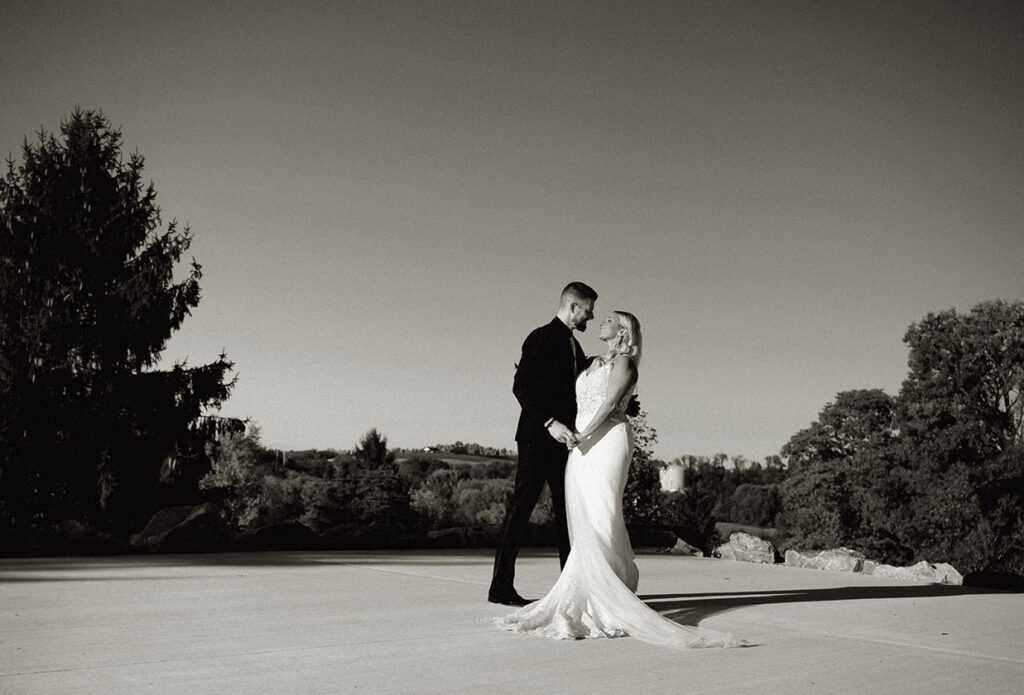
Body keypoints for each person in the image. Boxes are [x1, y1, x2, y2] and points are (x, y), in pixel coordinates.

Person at [494, 311, 741, 648]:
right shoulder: (588, 359)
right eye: (596, 313)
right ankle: (583, 589)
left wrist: (581, 434)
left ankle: (608, 594)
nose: (599, 320)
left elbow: (611, 403)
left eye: (609, 319)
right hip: (579, 445)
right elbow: (563, 388)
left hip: (605, 441)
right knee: (580, 514)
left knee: (603, 510)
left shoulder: (625, 364)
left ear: (623, 331)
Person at [488, 282, 597, 606]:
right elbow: (520, 387)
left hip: (564, 443)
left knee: (569, 514)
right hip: (537, 438)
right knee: (520, 510)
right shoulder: (541, 337)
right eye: (588, 312)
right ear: (573, 307)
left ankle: (570, 587)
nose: (590, 319)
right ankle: (500, 588)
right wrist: (550, 423)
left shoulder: (574, 348)